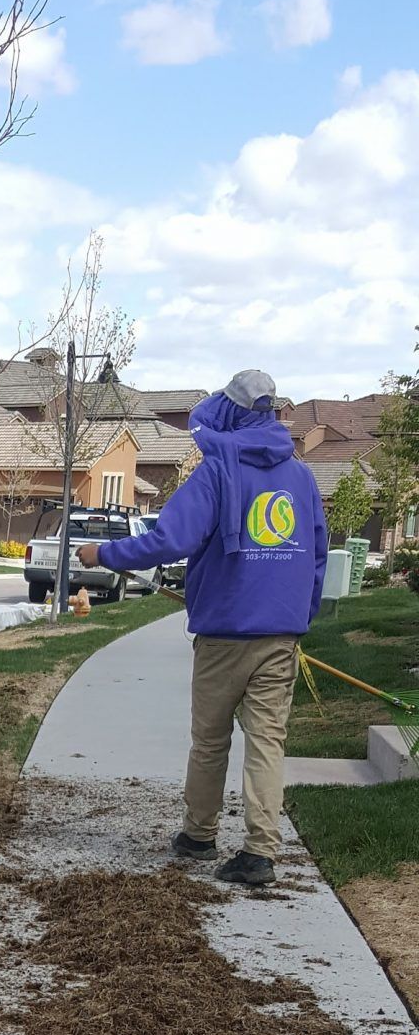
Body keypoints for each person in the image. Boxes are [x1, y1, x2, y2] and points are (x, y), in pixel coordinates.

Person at [76, 368, 328, 888]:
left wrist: (104, 552)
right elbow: (318, 554)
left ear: (228, 412)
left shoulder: (216, 472)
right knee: (267, 743)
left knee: (210, 740)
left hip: (224, 634)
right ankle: (260, 853)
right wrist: (301, 616)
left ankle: (199, 835)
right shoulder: (302, 477)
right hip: (280, 636)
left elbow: (169, 540)